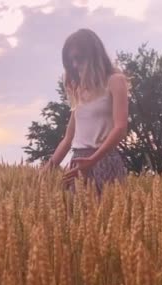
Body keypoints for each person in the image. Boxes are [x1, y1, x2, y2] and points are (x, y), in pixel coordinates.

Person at [41, 28, 129, 195]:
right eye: (70, 60)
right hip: (78, 162)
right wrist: (48, 168)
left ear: (94, 55)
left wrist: (92, 160)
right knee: (77, 217)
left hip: (104, 160)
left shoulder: (115, 81)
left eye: (79, 58)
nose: (74, 65)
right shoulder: (79, 91)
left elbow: (120, 128)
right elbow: (68, 138)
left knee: (106, 216)